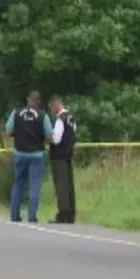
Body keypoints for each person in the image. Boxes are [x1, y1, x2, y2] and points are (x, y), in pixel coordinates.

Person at [5, 90, 53, 223]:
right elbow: (49, 136)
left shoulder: (16, 113)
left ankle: (14, 215)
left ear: (27, 100)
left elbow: (8, 131)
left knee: (18, 184)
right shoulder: (43, 116)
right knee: (34, 185)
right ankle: (32, 216)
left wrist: (18, 134)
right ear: (38, 102)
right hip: (36, 155)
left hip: (19, 153)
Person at [48, 95, 77, 223]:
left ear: (56, 105)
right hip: (68, 153)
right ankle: (71, 213)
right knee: (69, 184)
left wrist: (47, 137)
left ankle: (63, 213)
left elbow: (56, 139)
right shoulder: (71, 118)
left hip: (59, 155)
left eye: (51, 108)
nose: (51, 111)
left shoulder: (60, 119)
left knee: (61, 185)